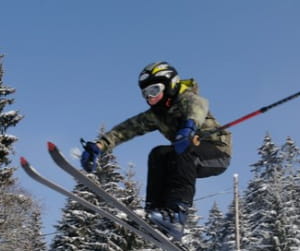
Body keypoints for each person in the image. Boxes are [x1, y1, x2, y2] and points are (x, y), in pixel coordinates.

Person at [81, 61, 231, 240]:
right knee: (158, 154)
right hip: (184, 155)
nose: (149, 97)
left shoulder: (187, 99)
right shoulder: (156, 114)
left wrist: (188, 128)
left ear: (170, 85)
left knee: (183, 152)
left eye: (154, 91)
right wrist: (99, 146)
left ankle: (176, 214)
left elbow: (198, 107)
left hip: (217, 153)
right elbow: (126, 129)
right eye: (145, 94)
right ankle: (155, 211)